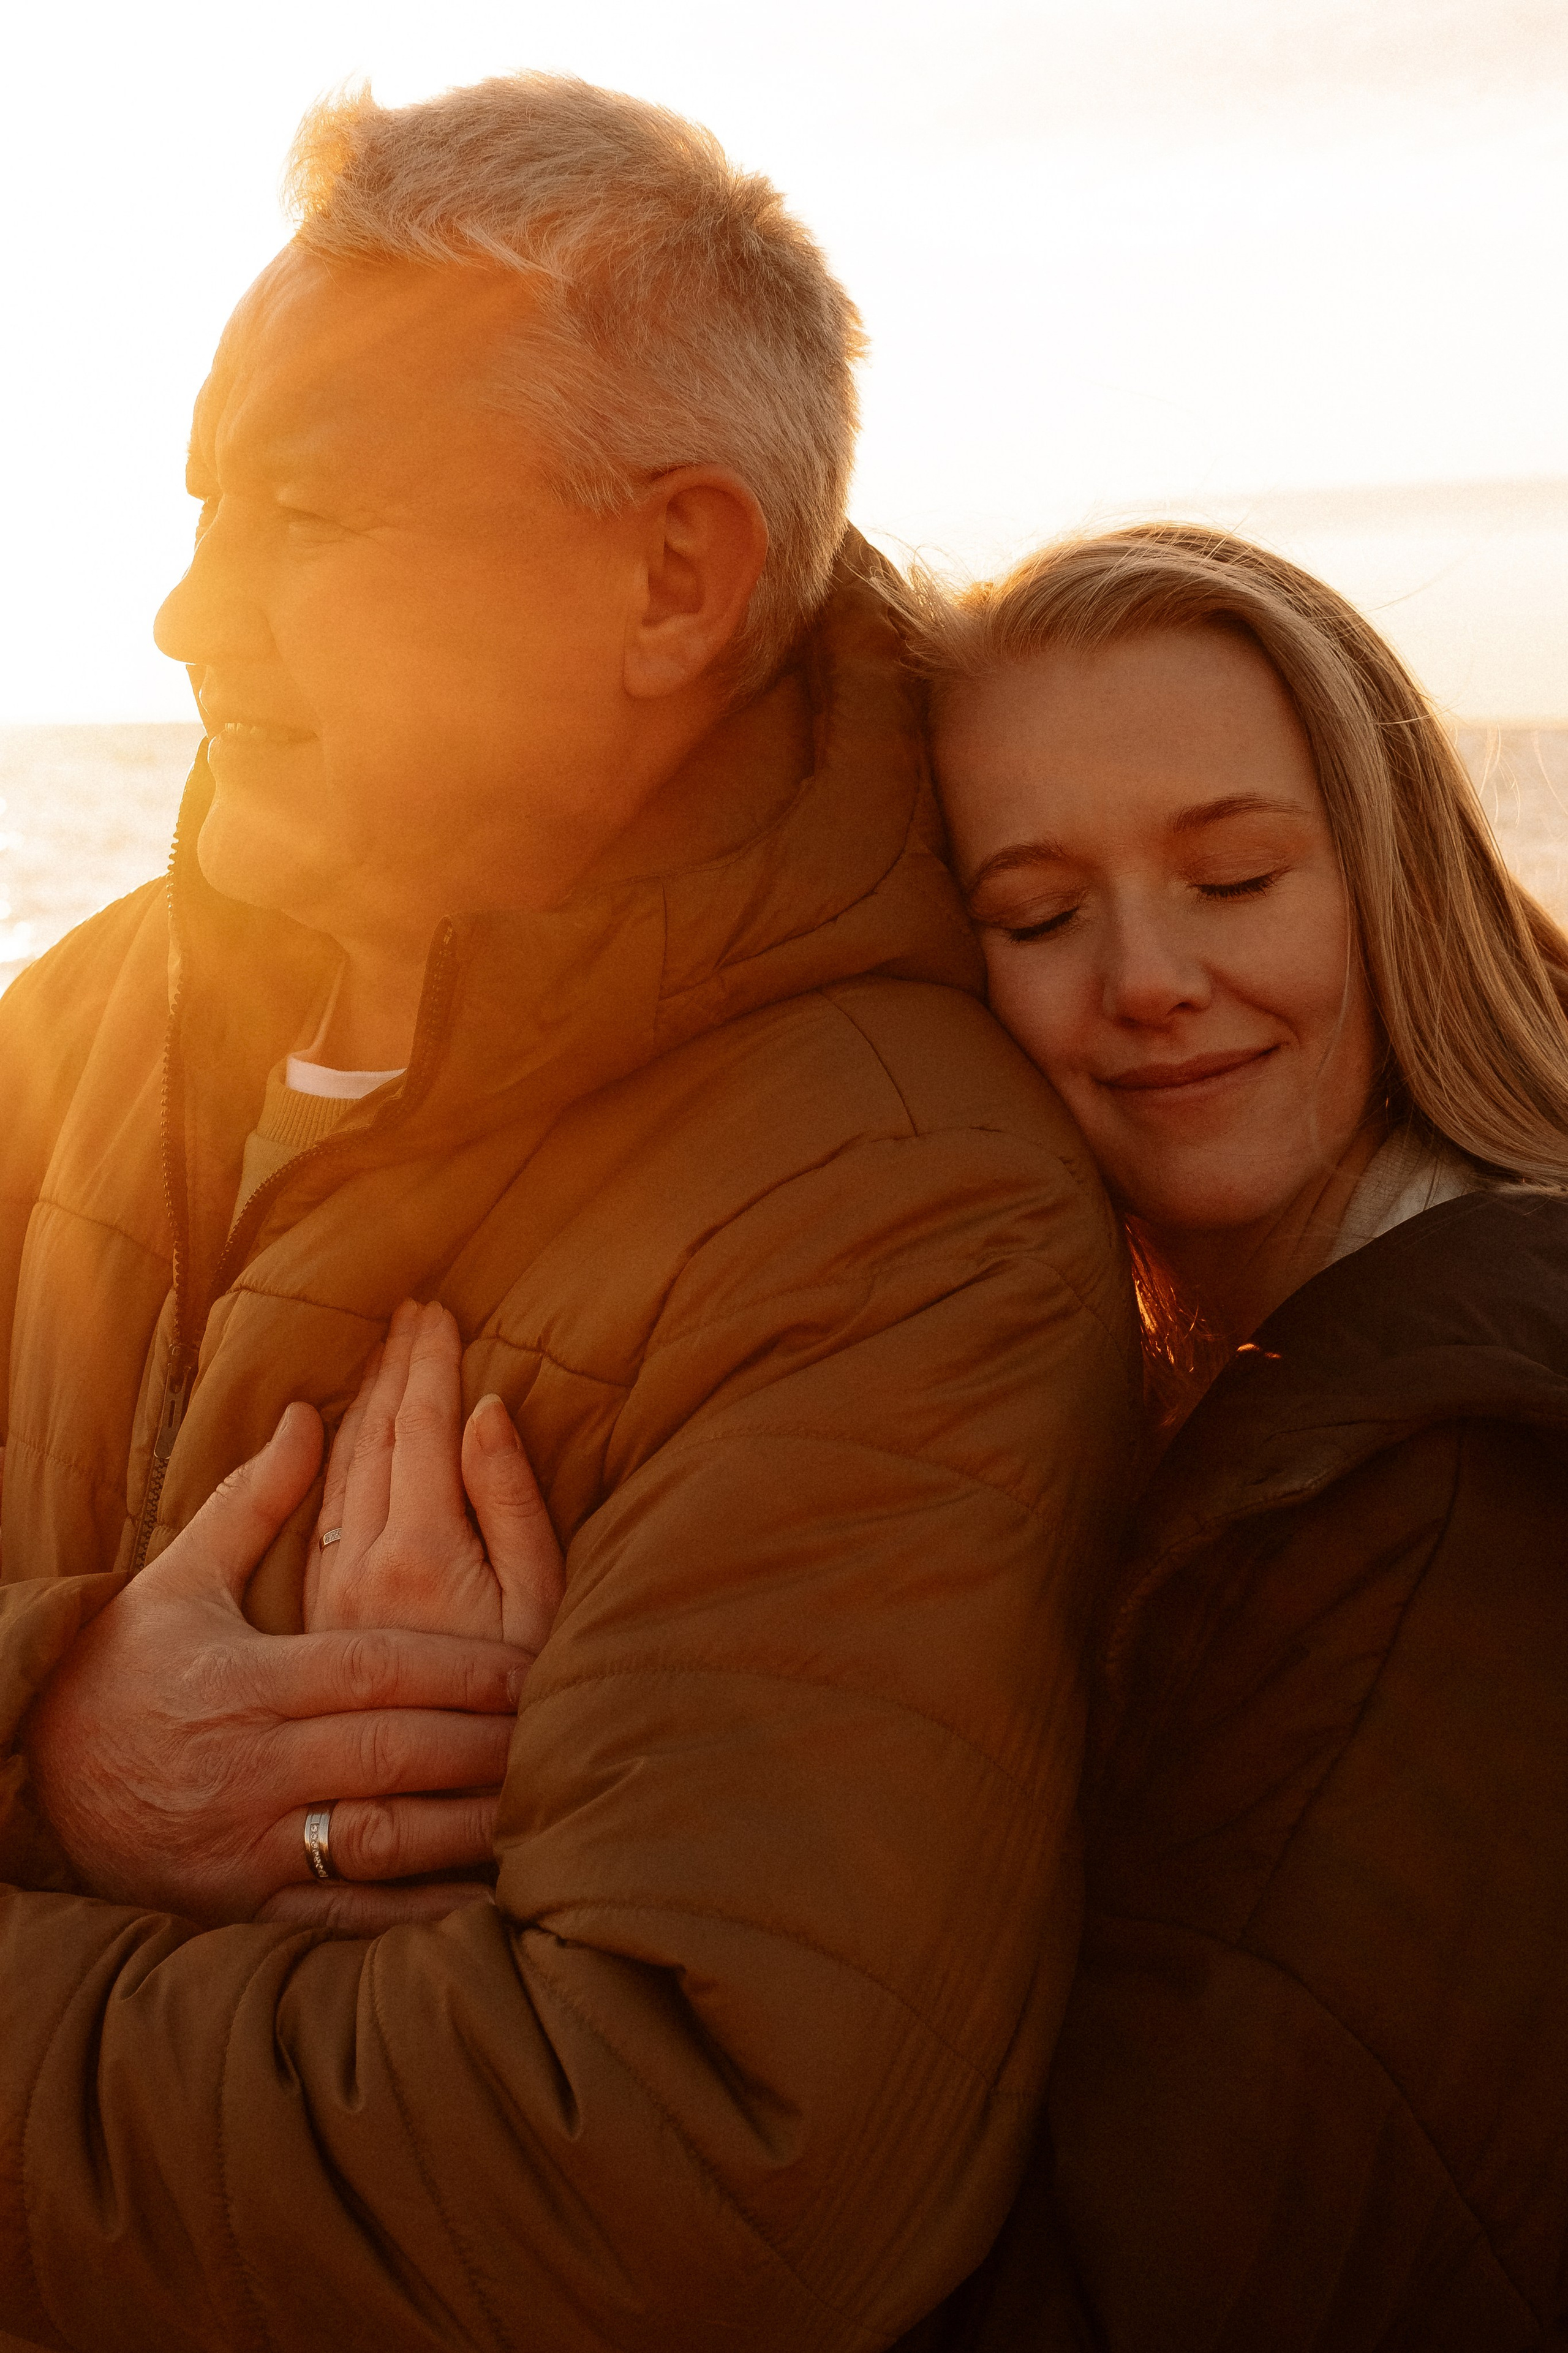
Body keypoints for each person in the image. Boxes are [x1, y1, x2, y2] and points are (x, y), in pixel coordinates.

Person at [0, 74, 1140, 2353]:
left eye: (302, 517)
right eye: (204, 506)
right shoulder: (97, 1010)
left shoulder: (901, 1226)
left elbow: (694, 2180)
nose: (179, 615)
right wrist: (57, 1725)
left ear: (673, 574)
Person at [903, 523, 1568, 2351]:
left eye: (1237, 876)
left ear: (1395, 875)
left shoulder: (1436, 1493)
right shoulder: (1270, 1388)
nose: (1145, 978)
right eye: (1038, 914)